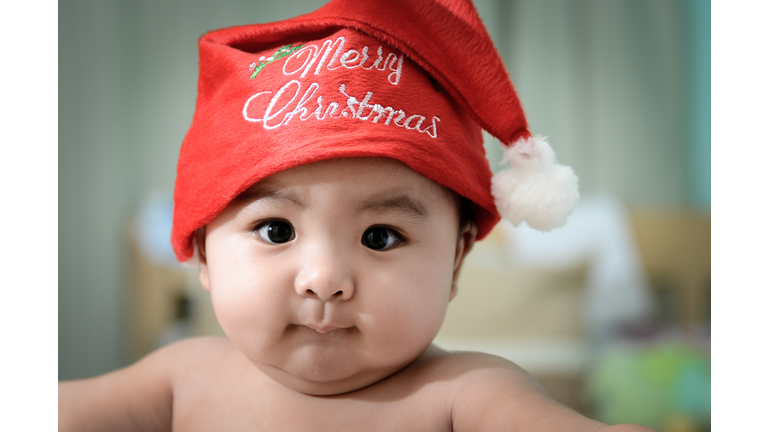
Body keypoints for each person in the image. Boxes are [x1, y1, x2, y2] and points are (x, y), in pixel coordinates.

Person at [59, 0, 655, 430]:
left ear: (455, 261)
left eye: (380, 235)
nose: (324, 278)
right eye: (276, 230)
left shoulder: (464, 395)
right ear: (207, 251)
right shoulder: (179, 381)